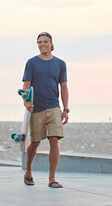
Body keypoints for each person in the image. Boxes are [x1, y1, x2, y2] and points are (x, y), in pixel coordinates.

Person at [22, 32, 69, 188]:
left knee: (54, 140)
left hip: (54, 106)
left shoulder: (60, 64)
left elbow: (63, 88)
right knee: (35, 143)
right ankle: (28, 171)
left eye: (45, 41)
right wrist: (26, 101)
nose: (42, 44)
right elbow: (26, 86)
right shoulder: (31, 63)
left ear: (51, 43)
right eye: (39, 42)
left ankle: (52, 178)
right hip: (36, 108)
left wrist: (66, 109)